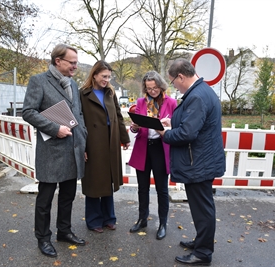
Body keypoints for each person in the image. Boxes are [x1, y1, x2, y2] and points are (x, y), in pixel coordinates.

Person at [22, 44, 88, 258]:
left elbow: (78, 115)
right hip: (51, 151)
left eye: (76, 63)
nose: (75, 67)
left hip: (72, 150)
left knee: (68, 196)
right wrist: (54, 128)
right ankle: (43, 238)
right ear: (58, 61)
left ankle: (64, 231)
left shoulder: (73, 84)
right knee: (45, 199)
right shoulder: (38, 81)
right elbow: (28, 112)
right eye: (72, 62)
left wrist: (83, 145)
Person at [158, 58, 225, 266]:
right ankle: (201, 242)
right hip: (200, 161)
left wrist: (164, 133)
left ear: (181, 76)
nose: (174, 87)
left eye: (173, 82)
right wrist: (173, 121)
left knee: (202, 209)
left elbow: (188, 133)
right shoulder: (201, 91)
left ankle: (203, 253)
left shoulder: (196, 96)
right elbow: (194, 123)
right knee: (201, 207)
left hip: (199, 164)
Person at [79, 60, 130, 233]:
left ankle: (109, 217)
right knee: (94, 182)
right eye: (103, 76)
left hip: (111, 140)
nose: (107, 80)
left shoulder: (110, 93)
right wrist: (82, 147)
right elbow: (78, 122)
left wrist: (124, 138)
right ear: (94, 75)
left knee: (108, 181)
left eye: (109, 77)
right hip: (93, 142)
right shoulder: (83, 94)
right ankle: (94, 220)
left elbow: (117, 115)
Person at [128, 71, 177, 240]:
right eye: (149, 88)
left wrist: (166, 127)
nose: (152, 91)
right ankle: (142, 219)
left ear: (161, 85)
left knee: (162, 189)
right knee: (142, 188)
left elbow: (177, 127)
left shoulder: (171, 103)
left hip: (160, 148)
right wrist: (134, 127)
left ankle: (163, 223)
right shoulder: (141, 102)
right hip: (143, 147)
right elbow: (136, 128)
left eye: (155, 88)